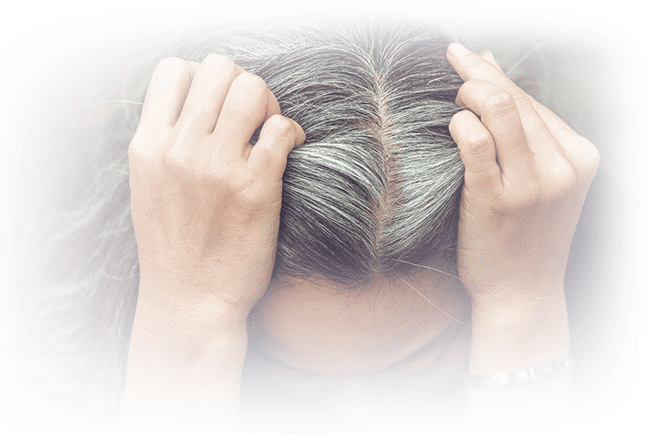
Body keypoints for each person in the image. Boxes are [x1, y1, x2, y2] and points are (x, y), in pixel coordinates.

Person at [1, 6, 599, 433]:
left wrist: (524, 310)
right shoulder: (43, 374)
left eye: (416, 360)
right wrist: (185, 327)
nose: (363, 413)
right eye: (288, 368)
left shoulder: (616, 292)